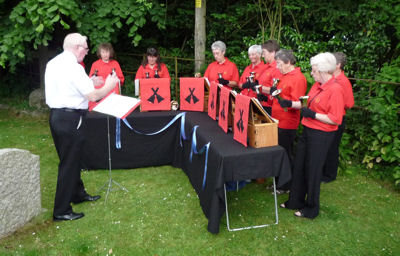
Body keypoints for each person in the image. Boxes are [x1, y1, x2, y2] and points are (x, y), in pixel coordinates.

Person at [45, 33, 119, 221]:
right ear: (77, 47)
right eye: (85, 49)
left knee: (71, 159)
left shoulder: (54, 63)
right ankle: (61, 210)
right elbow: (93, 96)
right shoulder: (74, 68)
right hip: (70, 118)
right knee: (69, 163)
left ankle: (78, 194)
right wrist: (109, 85)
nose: (86, 53)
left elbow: (67, 87)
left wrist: (90, 82)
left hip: (56, 116)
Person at [279, 52, 344, 219]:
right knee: (299, 165)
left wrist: (313, 115)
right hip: (308, 130)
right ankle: (295, 200)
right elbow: (309, 103)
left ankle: (311, 207)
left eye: (314, 70)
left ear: (323, 71)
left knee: (313, 170)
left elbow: (335, 119)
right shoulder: (316, 85)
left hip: (321, 134)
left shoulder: (335, 89)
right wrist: (305, 111)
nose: (312, 73)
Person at [267, 49, 307, 193]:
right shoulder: (283, 75)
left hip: (287, 122)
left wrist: (288, 103)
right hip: (277, 119)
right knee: (279, 153)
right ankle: (278, 181)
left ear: (288, 62)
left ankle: (286, 185)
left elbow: (299, 102)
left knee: (285, 154)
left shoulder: (297, 78)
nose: (277, 66)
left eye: (279, 63)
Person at [322, 52, 354, 183]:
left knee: (332, 147)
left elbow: (349, 103)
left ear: (338, 65)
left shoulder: (343, 81)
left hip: (337, 118)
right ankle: (323, 171)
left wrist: (336, 103)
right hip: (327, 117)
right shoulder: (330, 79)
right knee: (326, 146)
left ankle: (329, 175)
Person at [88, 43, 125, 110]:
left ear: (110, 52)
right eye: (103, 52)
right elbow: (90, 81)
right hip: (99, 96)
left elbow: (121, 79)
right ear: (100, 53)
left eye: (107, 52)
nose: (105, 54)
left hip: (113, 94)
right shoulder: (95, 64)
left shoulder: (115, 63)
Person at [257, 40, 283, 115]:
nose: (262, 55)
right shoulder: (267, 66)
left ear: (273, 53)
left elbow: (276, 90)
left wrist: (258, 88)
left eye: (264, 52)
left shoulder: (277, 68)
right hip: (263, 104)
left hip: (270, 107)